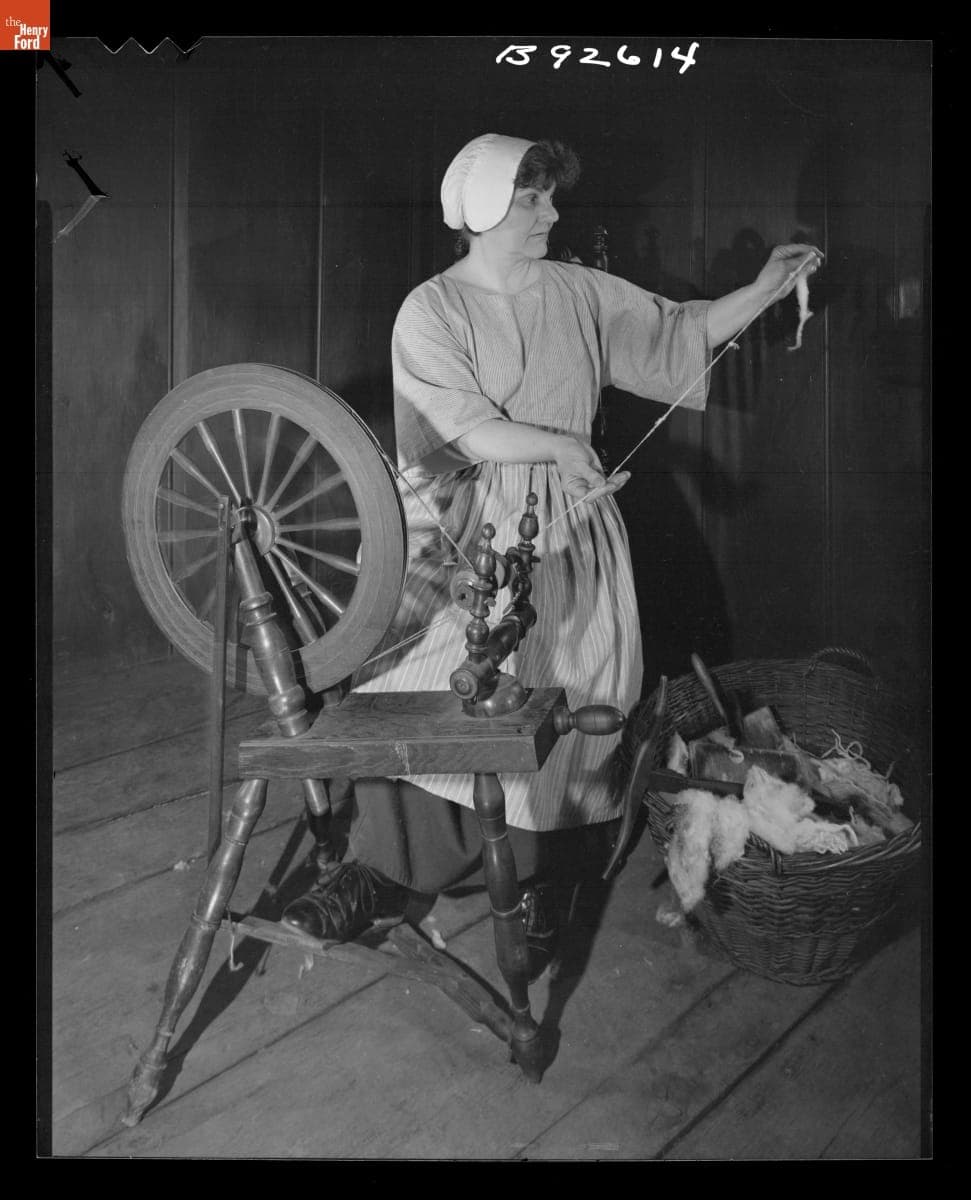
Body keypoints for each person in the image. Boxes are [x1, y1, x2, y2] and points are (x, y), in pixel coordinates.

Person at [282, 133, 821, 966]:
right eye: (533, 198)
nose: (553, 212)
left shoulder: (576, 289)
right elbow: (463, 428)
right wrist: (561, 447)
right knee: (410, 674)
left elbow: (677, 331)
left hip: (565, 526)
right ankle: (385, 871)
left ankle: (539, 879)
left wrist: (761, 288)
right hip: (462, 518)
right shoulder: (431, 309)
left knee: (571, 682)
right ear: (484, 206)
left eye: (548, 197)